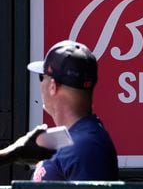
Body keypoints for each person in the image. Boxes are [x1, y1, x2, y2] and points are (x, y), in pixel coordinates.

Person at [27, 40, 118, 181]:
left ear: (53, 86)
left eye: (41, 76)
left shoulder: (86, 146)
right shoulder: (77, 138)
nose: (40, 84)